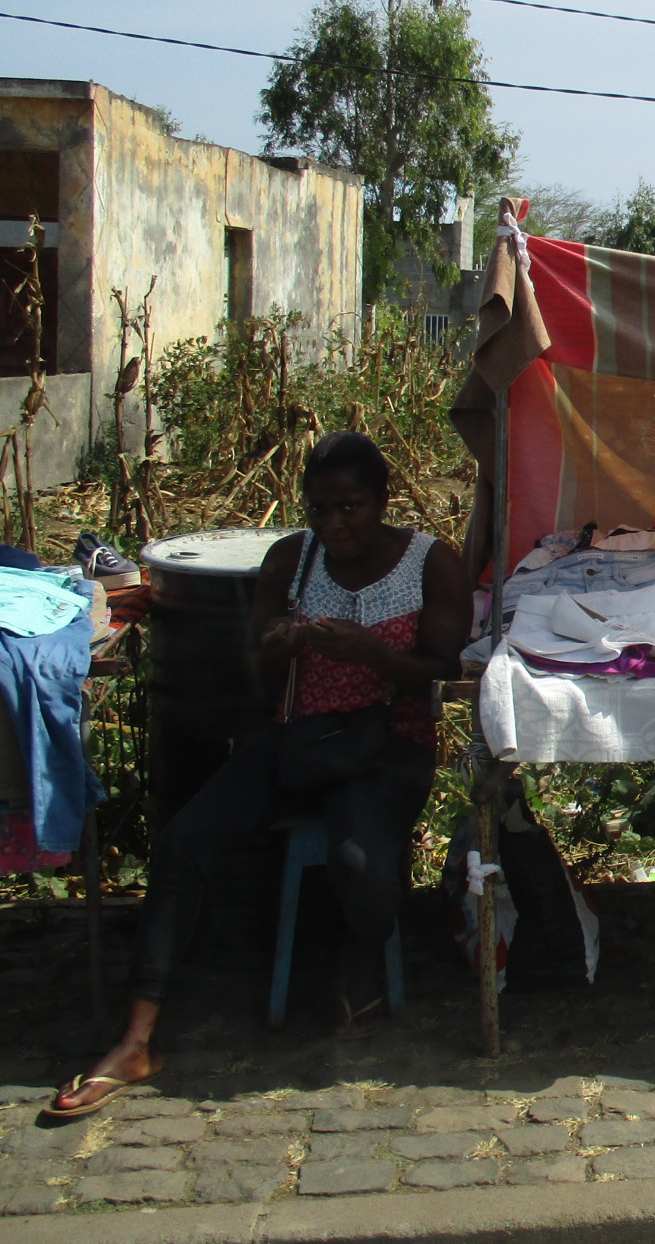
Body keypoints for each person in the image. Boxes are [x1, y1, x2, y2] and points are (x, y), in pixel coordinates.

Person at [47, 432, 470, 1118]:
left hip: (389, 742)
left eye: (351, 508)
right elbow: (260, 675)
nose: (334, 525)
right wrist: (278, 646)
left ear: (382, 501)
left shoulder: (431, 562)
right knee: (183, 844)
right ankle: (137, 1039)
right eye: (320, 509)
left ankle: (359, 958)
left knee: (359, 864)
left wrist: (370, 653)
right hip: (300, 738)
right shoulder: (292, 559)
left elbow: (442, 674)